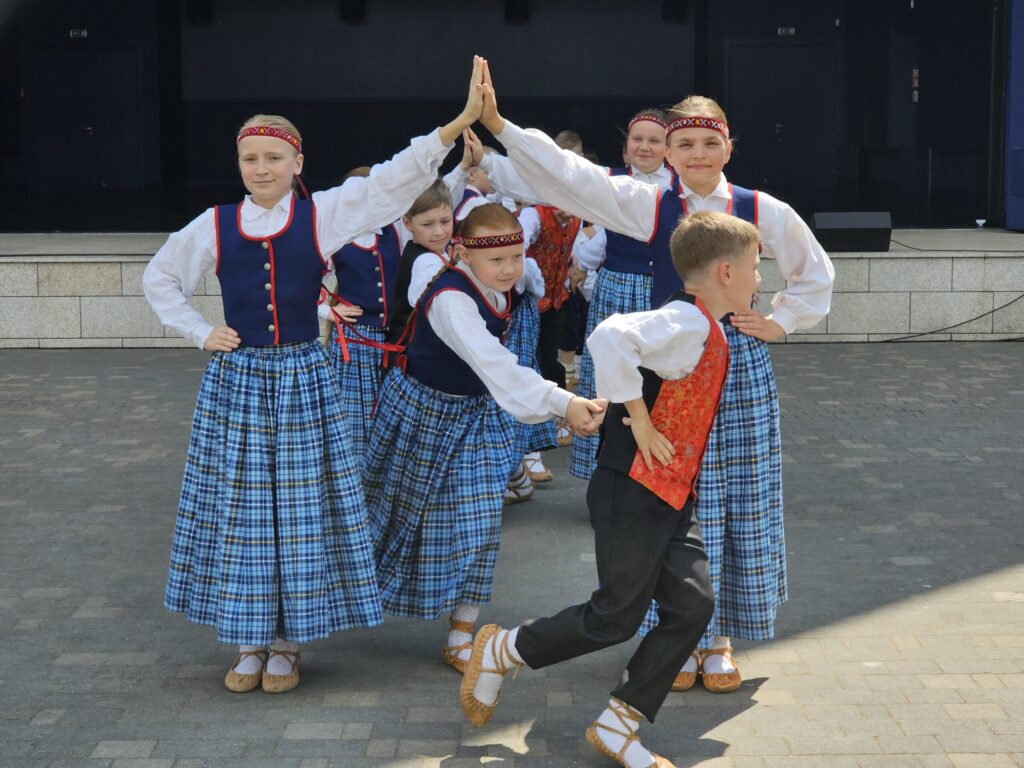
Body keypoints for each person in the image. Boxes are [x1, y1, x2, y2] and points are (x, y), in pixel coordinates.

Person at [477, 68, 835, 693]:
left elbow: (815, 273)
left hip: (736, 371)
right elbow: (573, 178)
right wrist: (502, 128)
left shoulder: (761, 209)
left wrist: (780, 322)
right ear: (667, 152)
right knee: (666, 496)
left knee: (735, 494)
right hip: (668, 371)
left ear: (728, 147)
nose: (698, 155)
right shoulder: (648, 203)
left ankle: (719, 637)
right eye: (685, 144)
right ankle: (674, 632)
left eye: (710, 143)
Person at [141, 56, 489, 694]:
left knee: (300, 509)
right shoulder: (214, 224)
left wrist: (456, 124)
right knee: (245, 507)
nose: (262, 169)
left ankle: (287, 643)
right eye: (251, 159)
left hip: (304, 376)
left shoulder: (322, 214)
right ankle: (249, 640)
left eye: (274, 158)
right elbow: (160, 276)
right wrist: (200, 331)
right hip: (240, 381)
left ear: (297, 163)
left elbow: (392, 181)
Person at [459, 211, 762, 768]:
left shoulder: (705, 325)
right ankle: (504, 648)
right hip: (633, 490)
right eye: (755, 267)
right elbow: (608, 335)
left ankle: (618, 723)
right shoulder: (686, 322)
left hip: (669, 494)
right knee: (615, 616)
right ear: (725, 272)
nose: (759, 279)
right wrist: (639, 419)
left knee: (693, 605)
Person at [362, 203, 606, 675]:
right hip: (420, 412)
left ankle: (461, 634)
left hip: (477, 415)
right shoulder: (450, 298)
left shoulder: (507, 282)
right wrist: (563, 402)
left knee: (480, 521)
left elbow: (504, 360)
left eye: (515, 256)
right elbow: (494, 364)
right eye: (496, 260)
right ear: (463, 253)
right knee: (384, 516)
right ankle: (318, 605)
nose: (509, 268)